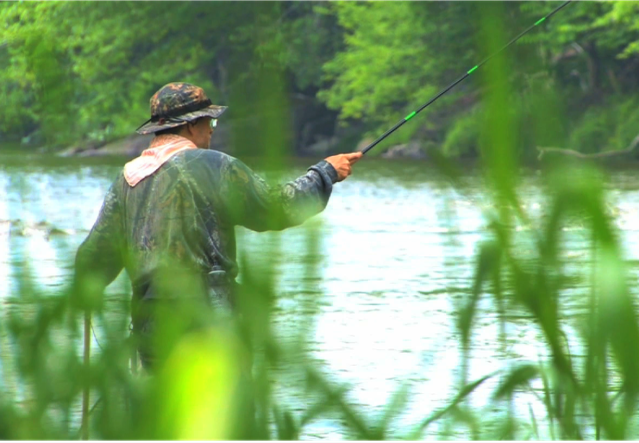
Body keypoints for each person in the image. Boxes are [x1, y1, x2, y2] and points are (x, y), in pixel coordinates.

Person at [72, 82, 362, 370]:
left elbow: (92, 263)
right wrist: (325, 173)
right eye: (209, 121)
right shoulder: (212, 165)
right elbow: (275, 209)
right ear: (189, 126)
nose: (212, 129)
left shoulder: (126, 180)